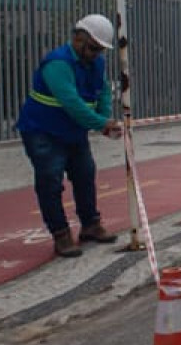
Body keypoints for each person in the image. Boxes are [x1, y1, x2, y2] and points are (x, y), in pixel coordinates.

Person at [16, 13, 123, 258]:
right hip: (43, 131)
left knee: (85, 174)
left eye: (100, 50)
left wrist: (104, 117)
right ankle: (61, 234)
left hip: (73, 132)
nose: (96, 54)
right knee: (50, 181)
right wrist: (101, 124)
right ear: (77, 39)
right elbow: (72, 104)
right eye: (93, 48)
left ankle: (90, 225)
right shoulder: (57, 64)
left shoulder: (96, 62)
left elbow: (103, 91)